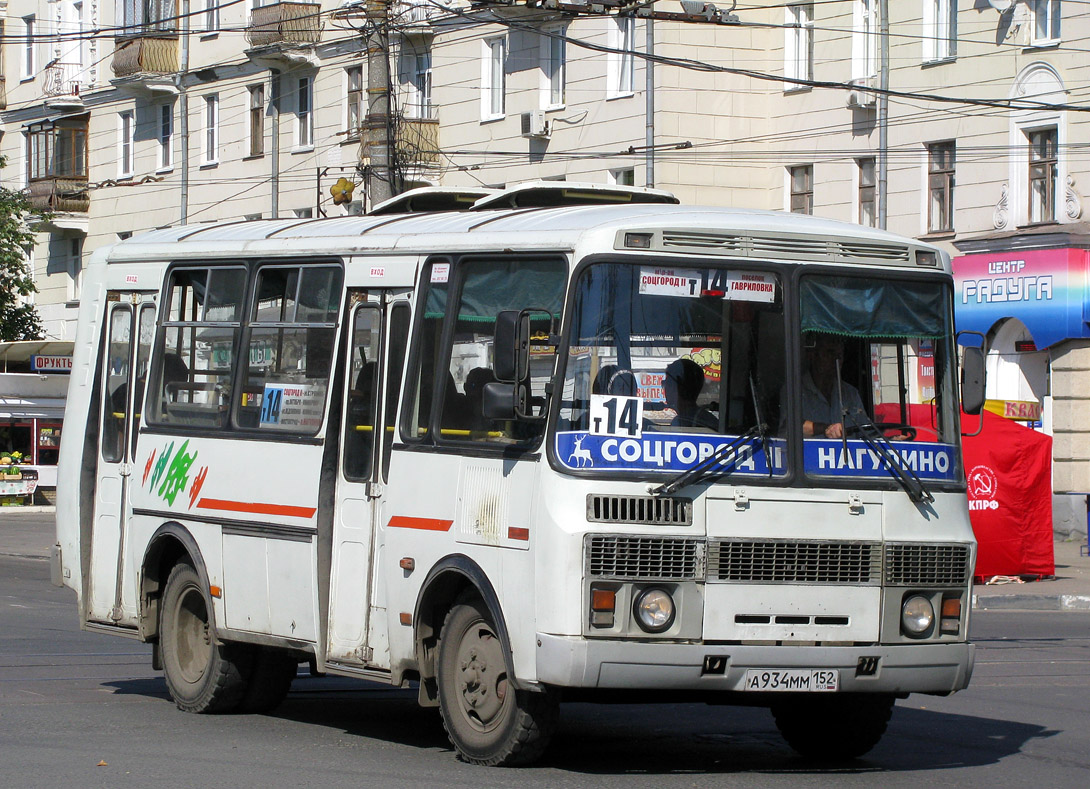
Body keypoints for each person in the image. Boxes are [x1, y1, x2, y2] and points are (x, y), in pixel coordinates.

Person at [800, 334, 866, 438]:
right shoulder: (795, 391)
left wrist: (890, 441)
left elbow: (866, 434)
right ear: (812, 356)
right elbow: (788, 427)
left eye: (839, 356)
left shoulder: (851, 394)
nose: (836, 361)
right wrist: (826, 429)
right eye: (829, 353)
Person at [664, 358, 717, 429]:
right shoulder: (705, 418)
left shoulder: (683, 421)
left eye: (667, 383)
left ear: (679, 387)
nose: (665, 388)